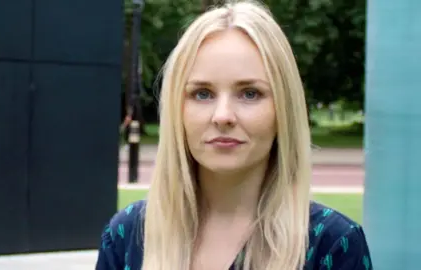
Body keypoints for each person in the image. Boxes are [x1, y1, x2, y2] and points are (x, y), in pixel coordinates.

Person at [96, 1, 373, 269]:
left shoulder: (332, 245)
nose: (223, 115)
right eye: (202, 94)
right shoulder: (128, 236)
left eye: (249, 93)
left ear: (283, 110)